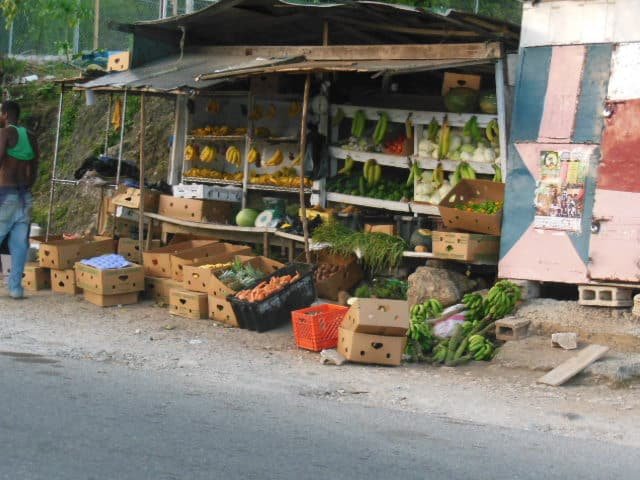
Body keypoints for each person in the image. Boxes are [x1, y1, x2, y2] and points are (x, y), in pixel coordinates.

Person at [0, 100, 39, 299]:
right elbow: (35, 168)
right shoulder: (31, 137)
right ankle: (16, 289)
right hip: (25, 195)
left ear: (5, 114)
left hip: (5, 193)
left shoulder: (5, 133)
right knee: (19, 244)